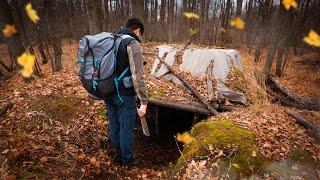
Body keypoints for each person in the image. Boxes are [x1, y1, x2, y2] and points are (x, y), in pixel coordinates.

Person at [104, 18, 148, 166]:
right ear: (138, 30)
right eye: (140, 34)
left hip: (108, 91)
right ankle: (127, 159)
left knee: (114, 124)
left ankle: (118, 155)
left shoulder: (112, 40)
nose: (139, 37)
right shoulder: (132, 43)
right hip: (125, 94)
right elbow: (137, 75)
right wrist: (143, 102)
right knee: (126, 128)